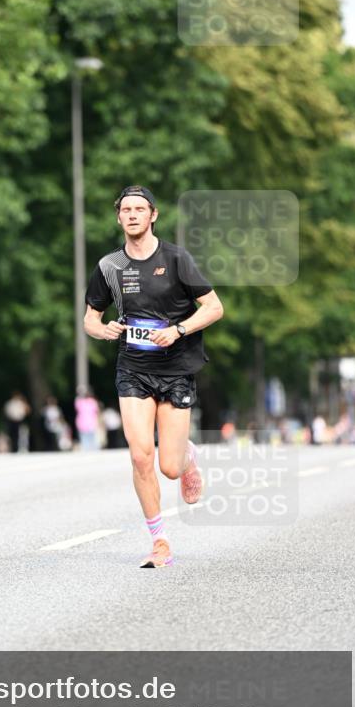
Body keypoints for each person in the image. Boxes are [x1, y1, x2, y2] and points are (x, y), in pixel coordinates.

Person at [84, 185, 224, 568]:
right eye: (125, 209)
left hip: (177, 368)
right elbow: (89, 320)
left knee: (169, 466)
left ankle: (188, 458)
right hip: (133, 369)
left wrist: (178, 330)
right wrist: (104, 329)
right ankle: (159, 540)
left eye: (139, 209)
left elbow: (214, 307)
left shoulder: (177, 260)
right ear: (118, 217)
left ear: (153, 215)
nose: (132, 215)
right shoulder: (109, 266)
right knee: (141, 455)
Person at [74, 387, 101, 451]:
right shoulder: (92, 402)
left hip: (85, 423)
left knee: (86, 440)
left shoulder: (80, 401)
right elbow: (97, 412)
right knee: (90, 440)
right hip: (88, 423)